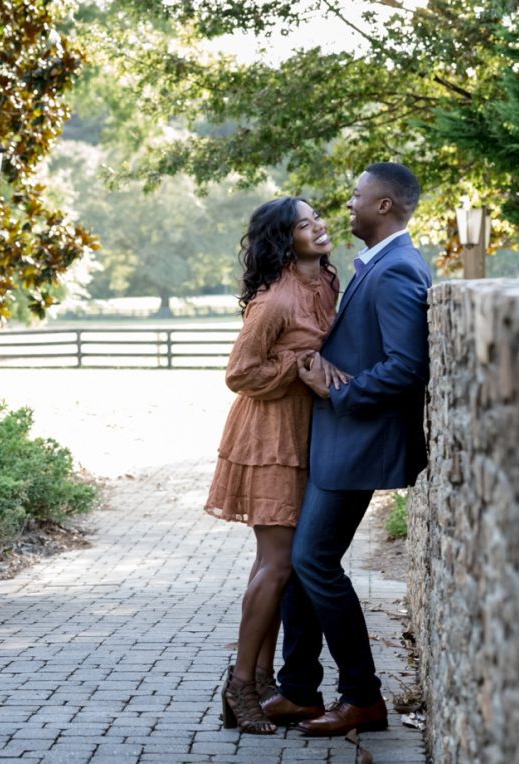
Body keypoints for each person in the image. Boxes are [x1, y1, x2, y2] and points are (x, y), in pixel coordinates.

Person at [263, 162, 431, 735]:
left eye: (358, 195)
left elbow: (408, 367)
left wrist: (336, 390)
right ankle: (300, 690)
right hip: (340, 441)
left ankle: (362, 697)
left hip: (360, 442)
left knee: (312, 561)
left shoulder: (398, 271)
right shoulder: (374, 265)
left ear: (383, 206)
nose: (349, 204)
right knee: (305, 565)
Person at [207, 197, 343, 734]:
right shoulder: (275, 300)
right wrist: (300, 363)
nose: (319, 226)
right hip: (269, 433)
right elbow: (239, 372)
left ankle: (263, 679)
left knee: (276, 563)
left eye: (318, 218)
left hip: (306, 431)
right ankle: (240, 686)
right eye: (306, 224)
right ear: (286, 239)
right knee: (279, 564)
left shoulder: (326, 282)